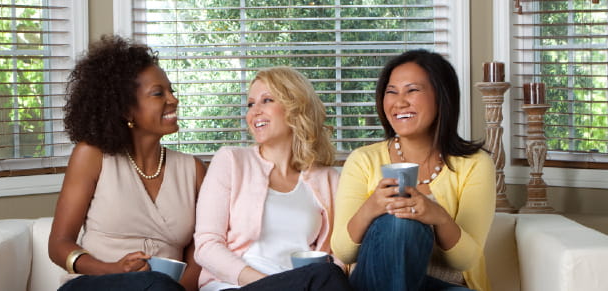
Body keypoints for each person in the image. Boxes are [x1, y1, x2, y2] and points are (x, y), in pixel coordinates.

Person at [48, 35, 206, 291]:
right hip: (95, 284)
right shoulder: (92, 156)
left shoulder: (193, 170)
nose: (173, 100)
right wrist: (111, 269)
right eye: (158, 93)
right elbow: (59, 245)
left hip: (164, 289)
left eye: (171, 91)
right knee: (153, 282)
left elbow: (201, 252)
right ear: (126, 109)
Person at [330, 50, 496, 291]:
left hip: (440, 285)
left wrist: (437, 216)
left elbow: (465, 261)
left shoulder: (475, 164)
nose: (399, 102)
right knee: (400, 222)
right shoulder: (362, 160)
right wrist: (372, 207)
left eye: (412, 90)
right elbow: (344, 252)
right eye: (391, 92)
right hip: (372, 282)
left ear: (441, 97)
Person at [193, 67, 352, 291]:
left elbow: (339, 255)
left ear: (296, 107)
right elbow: (207, 246)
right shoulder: (231, 161)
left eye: (266, 100)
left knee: (329, 273)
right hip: (235, 286)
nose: (254, 111)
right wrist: (271, 285)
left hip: (301, 284)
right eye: (250, 104)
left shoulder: (327, 179)